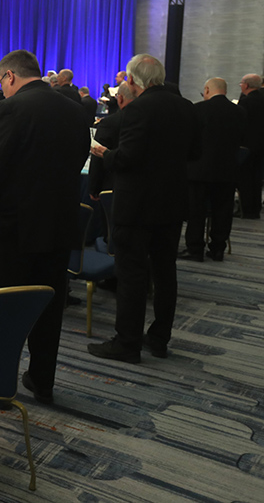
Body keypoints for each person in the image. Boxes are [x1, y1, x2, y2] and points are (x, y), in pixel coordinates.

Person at [0, 50, 90, 403]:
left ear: (9, 76)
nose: (0, 88)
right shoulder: (74, 108)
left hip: (9, 232)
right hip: (57, 227)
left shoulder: (8, 109)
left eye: (0, 82)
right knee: (48, 310)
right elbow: (80, 158)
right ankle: (42, 380)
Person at [88, 54, 198, 363]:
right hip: (173, 203)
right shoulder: (186, 108)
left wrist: (104, 154)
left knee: (133, 274)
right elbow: (195, 152)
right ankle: (159, 338)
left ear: (134, 81)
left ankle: (127, 342)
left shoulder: (138, 109)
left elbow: (126, 159)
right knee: (165, 273)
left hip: (136, 205)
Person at [183, 78, 246, 262]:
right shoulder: (240, 112)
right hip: (228, 169)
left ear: (207, 89)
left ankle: (195, 249)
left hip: (199, 169)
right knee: (223, 211)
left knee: (196, 211)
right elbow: (242, 138)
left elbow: (191, 138)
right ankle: (218, 248)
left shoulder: (198, 109)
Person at [237, 73, 264, 219]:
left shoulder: (246, 103)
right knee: (257, 178)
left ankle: (246, 209)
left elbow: (240, 125)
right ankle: (255, 208)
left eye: (241, 83)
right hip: (261, 145)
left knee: (246, 179)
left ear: (246, 85)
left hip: (246, 146)